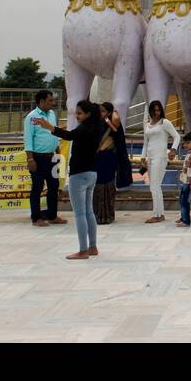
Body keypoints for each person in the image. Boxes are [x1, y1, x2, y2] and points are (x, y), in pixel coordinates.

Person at [32, 99, 106, 260]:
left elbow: (69, 135)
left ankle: (83, 250)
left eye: (79, 113)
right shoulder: (98, 127)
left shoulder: (85, 128)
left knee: (80, 213)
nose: (77, 116)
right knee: (88, 211)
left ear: (88, 114)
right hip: (92, 173)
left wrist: (49, 127)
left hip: (79, 174)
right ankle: (92, 247)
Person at [24, 89, 66, 228]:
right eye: (50, 100)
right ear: (41, 101)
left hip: (52, 156)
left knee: (53, 186)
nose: (53, 103)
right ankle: (36, 218)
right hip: (38, 157)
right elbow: (28, 139)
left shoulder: (52, 114)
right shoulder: (32, 117)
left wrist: (58, 153)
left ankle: (52, 215)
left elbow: (53, 134)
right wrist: (30, 159)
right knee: (37, 187)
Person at [141, 100, 180, 224]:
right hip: (150, 157)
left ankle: (157, 215)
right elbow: (145, 142)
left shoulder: (165, 122)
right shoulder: (147, 125)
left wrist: (173, 150)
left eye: (158, 110)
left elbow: (177, 136)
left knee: (155, 186)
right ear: (150, 111)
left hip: (161, 157)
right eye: (154, 110)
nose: (156, 112)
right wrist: (143, 157)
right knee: (153, 186)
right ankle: (160, 214)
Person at [93, 102, 130, 224]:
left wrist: (113, 115)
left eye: (103, 111)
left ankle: (107, 215)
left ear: (109, 112)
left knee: (108, 187)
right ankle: (97, 214)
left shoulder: (114, 124)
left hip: (109, 158)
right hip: (98, 159)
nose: (101, 113)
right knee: (97, 187)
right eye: (100, 111)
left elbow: (118, 139)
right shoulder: (97, 124)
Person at [176, 131, 191, 228]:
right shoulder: (190, 153)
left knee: (185, 201)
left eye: (188, 143)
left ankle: (186, 221)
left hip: (189, 182)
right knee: (182, 200)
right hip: (186, 181)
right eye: (184, 143)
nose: (185, 145)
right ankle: (183, 217)